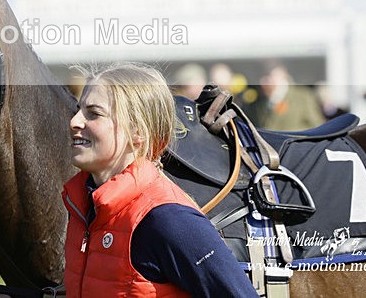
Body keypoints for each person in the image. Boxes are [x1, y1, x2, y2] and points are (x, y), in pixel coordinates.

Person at [62, 62, 257, 297]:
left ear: (137, 132)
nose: (74, 121)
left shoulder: (168, 219)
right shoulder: (83, 207)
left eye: (94, 113)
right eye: (78, 109)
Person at [248, 64, 325, 131]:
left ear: (282, 74)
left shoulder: (303, 96)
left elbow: (318, 127)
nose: (263, 82)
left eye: (269, 76)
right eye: (261, 77)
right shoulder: (259, 100)